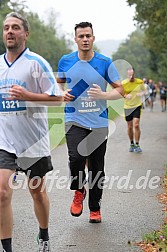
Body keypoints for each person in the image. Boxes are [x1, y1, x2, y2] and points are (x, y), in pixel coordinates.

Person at [0, 12, 62, 252]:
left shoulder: (36, 63)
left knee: (37, 192)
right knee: (2, 192)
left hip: (33, 142)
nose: (9, 32)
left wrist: (27, 96)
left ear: (25, 34)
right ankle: (7, 247)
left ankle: (44, 234)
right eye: (6, 27)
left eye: (15, 27)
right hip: (5, 141)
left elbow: (57, 98)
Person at [56, 22, 123, 223]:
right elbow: (58, 83)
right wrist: (62, 93)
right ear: (75, 39)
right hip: (74, 119)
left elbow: (120, 90)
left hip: (99, 123)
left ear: (93, 38)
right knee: (75, 158)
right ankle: (78, 190)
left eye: (88, 36)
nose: (85, 39)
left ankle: (95, 208)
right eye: (81, 36)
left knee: (96, 167)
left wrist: (104, 94)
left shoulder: (104, 62)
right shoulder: (66, 61)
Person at [122, 68, 146, 153]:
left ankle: (137, 144)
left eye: (132, 74)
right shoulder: (124, 83)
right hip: (127, 106)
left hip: (137, 105)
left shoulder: (139, 82)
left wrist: (141, 93)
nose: (131, 76)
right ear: (127, 74)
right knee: (129, 126)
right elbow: (121, 93)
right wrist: (125, 95)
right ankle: (131, 143)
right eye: (129, 74)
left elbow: (145, 91)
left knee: (136, 125)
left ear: (134, 74)